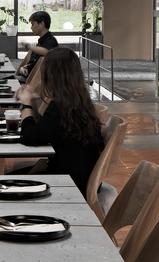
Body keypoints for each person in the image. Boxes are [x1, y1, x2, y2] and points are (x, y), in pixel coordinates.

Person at [14, 46, 104, 198]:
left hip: (66, 184)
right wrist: (33, 102)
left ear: (51, 75)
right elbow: (43, 131)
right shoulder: (77, 101)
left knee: (5, 181)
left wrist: (26, 104)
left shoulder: (61, 107)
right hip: (77, 177)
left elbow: (29, 137)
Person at [16, 11, 58, 84]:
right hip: (29, 78)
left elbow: (48, 52)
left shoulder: (51, 41)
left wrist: (28, 46)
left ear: (42, 24)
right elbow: (32, 63)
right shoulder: (40, 42)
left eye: (33, 24)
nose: (31, 27)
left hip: (34, 83)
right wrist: (24, 68)